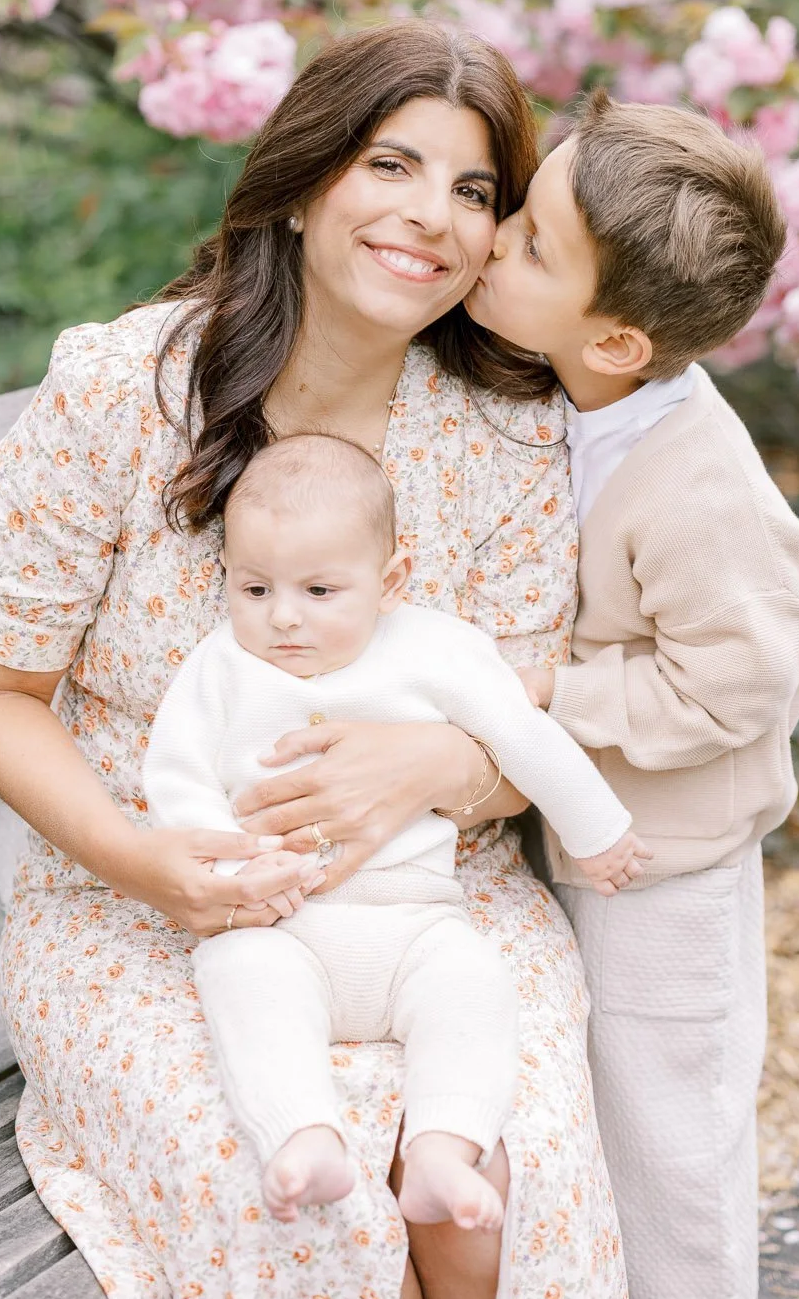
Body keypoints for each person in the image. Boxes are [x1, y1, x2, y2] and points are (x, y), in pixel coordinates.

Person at [0, 25, 632, 1299]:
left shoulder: (502, 429)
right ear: (309, 176)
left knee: (504, 1184)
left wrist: (438, 769)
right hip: (152, 915)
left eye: (475, 191)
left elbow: (522, 694)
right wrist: (147, 858)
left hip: (441, 905)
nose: (431, 216)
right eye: (393, 164)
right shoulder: (123, 397)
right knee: (311, 1216)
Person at [467, 92, 799, 1299]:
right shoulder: (576, 400)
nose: (494, 240)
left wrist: (550, 690)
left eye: (529, 243)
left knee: (671, 1152)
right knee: (595, 1128)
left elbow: (733, 683)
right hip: (597, 840)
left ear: (617, 339)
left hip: (669, 876)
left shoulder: (692, 479)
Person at [144, 432, 645, 1230]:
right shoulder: (218, 669)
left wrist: (596, 829)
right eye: (254, 589)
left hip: (414, 920)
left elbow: (522, 734)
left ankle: (444, 1152)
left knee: (474, 987)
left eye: (318, 590)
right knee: (242, 983)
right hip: (282, 921)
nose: (283, 619)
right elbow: (177, 779)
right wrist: (235, 871)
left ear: (391, 582)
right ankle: (304, 1137)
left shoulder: (435, 650)